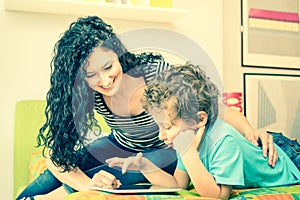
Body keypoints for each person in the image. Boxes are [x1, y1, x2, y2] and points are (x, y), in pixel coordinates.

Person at [16, 16, 277, 200]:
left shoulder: (154, 75)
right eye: (92, 75)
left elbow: (213, 107)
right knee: (62, 164)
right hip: (120, 142)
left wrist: (249, 131)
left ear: (117, 54)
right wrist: (86, 183)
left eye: (108, 67)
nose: (104, 81)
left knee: (91, 183)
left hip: (165, 149)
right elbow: (55, 154)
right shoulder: (88, 93)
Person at [103, 62, 300, 200]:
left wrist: (189, 155)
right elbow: (178, 183)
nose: (161, 136)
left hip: (290, 158)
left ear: (199, 119)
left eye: (168, 126)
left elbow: (218, 196)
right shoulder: (188, 138)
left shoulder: (223, 140)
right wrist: (146, 166)